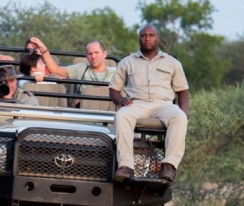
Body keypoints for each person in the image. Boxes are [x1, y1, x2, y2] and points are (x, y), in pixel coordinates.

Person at [109, 24, 189, 183]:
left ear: (157, 38)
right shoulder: (127, 62)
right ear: (139, 38)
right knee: (121, 116)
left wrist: (184, 110)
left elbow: (183, 91)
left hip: (163, 104)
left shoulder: (172, 62)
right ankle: (126, 167)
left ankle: (168, 166)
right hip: (136, 103)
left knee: (179, 117)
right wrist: (120, 100)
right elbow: (114, 90)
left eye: (151, 35)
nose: (147, 38)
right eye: (143, 35)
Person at [29, 38, 116, 106]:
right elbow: (55, 70)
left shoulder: (115, 71)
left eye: (96, 52)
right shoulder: (81, 68)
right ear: (86, 56)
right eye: (90, 53)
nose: (93, 56)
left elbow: (109, 90)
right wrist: (44, 50)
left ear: (104, 54)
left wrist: (82, 98)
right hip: (82, 111)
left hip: (106, 112)